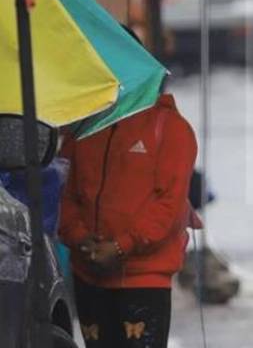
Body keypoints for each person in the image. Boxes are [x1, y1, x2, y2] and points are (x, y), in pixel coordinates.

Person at [59, 83, 197, 348]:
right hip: (88, 271)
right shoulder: (86, 125)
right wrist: (80, 238)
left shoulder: (170, 127)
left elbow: (169, 205)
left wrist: (121, 246)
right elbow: (65, 189)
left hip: (144, 277)